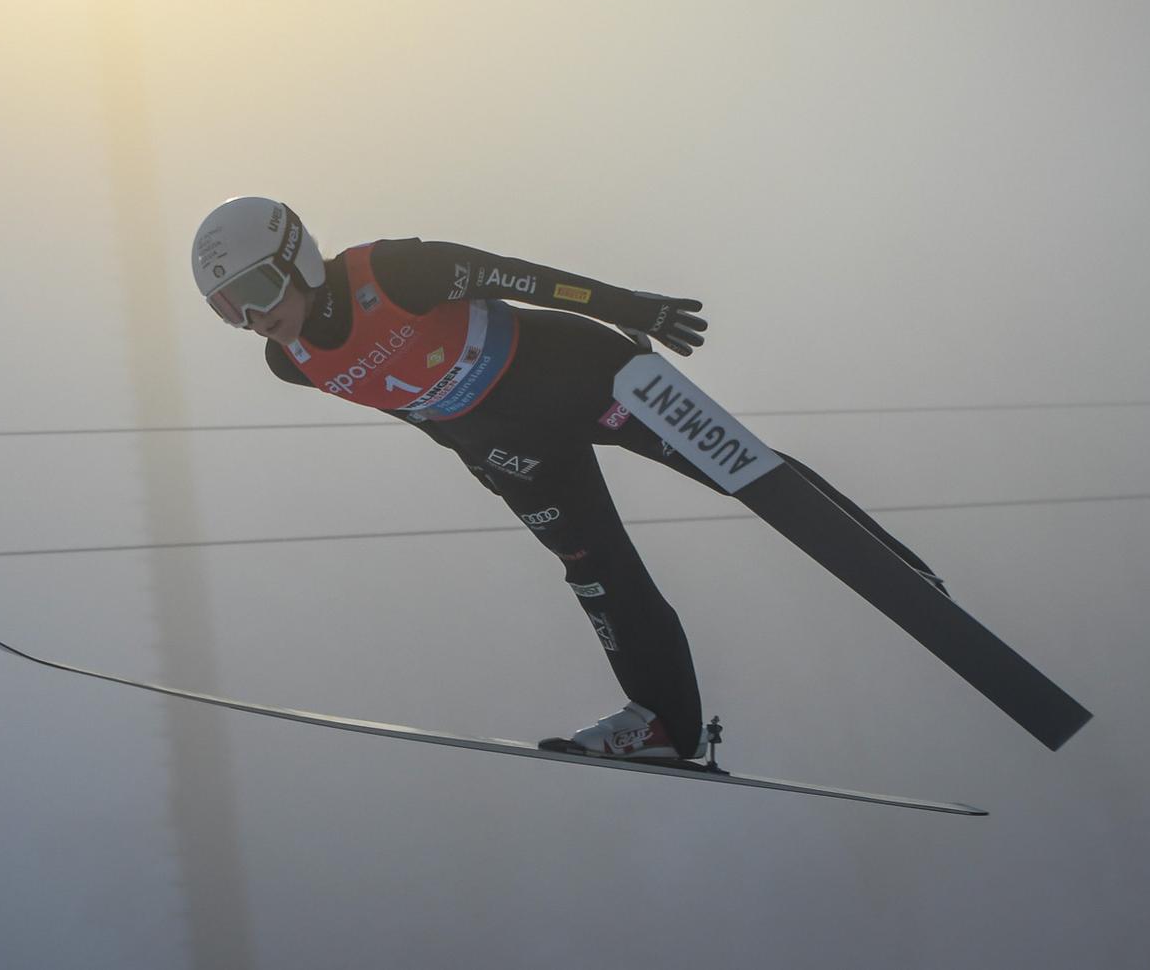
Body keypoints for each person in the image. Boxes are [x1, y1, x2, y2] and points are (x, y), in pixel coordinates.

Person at [191, 195, 946, 761]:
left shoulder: (389, 271)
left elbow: (523, 278)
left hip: (577, 374)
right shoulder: (290, 364)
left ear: (298, 258)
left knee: (735, 464)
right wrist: (477, 458)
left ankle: (896, 569)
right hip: (508, 446)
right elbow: (406, 401)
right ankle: (663, 725)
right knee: (594, 572)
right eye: (229, 310)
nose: (253, 318)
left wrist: (630, 307)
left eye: (257, 292)